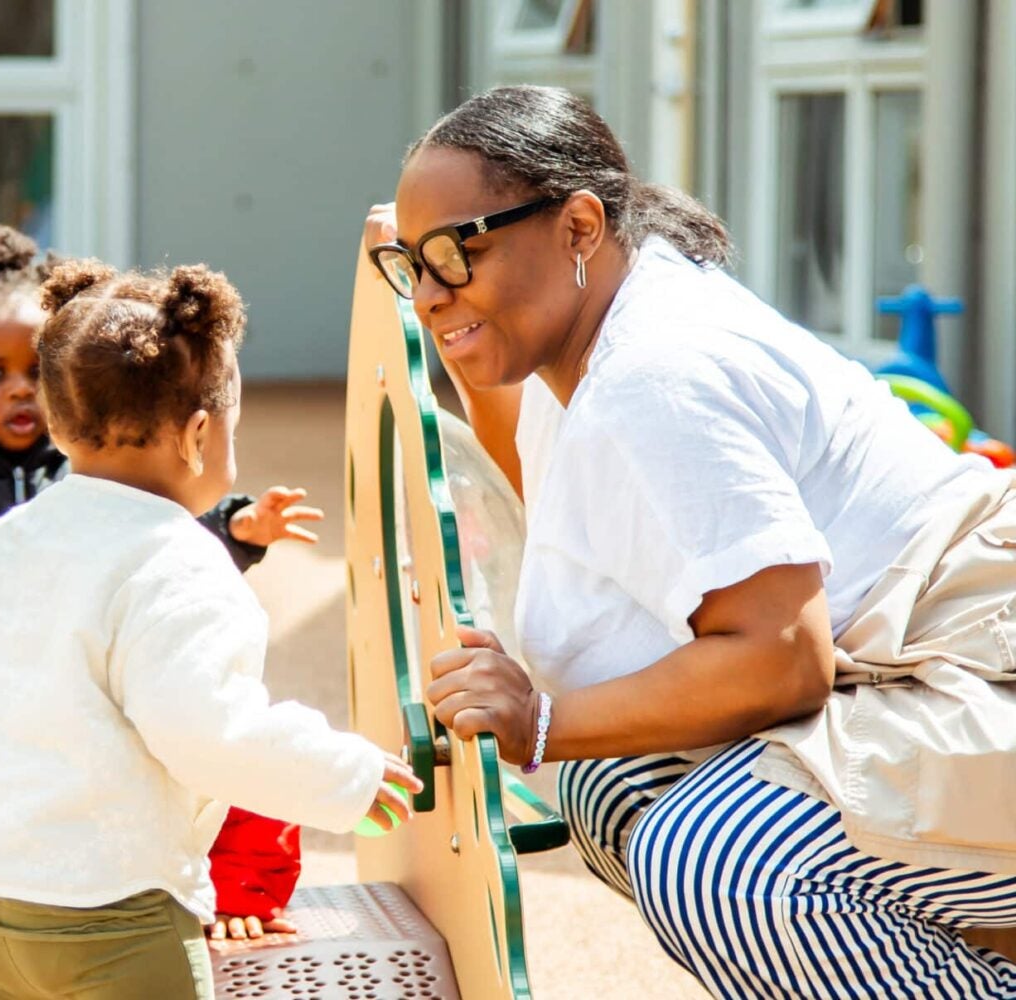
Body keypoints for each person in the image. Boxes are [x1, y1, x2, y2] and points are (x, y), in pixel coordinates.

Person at [365, 85, 1016, 998]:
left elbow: (784, 659)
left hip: (978, 666)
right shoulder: (597, 325)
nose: (432, 294)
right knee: (613, 782)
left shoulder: (654, 375)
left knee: (724, 863)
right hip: (913, 665)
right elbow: (543, 471)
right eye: (412, 264)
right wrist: (448, 298)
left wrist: (539, 720)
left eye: (457, 253)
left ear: (579, 225)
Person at [0, 258, 421, 999]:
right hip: (109, 910)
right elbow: (210, 731)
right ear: (200, 434)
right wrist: (348, 778)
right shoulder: (177, 560)